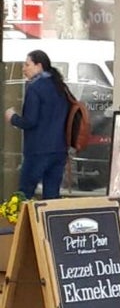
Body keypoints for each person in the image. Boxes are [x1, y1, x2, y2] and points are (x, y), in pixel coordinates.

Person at [4, 49, 69, 199]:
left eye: (27, 65)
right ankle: (49, 222)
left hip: (38, 150)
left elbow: (30, 121)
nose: (24, 68)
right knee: (51, 196)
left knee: (24, 194)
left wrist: (12, 117)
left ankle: (19, 222)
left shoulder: (35, 87)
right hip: (59, 149)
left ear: (39, 66)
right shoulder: (59, 86)